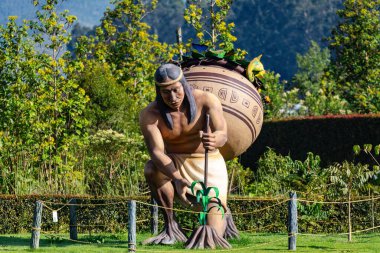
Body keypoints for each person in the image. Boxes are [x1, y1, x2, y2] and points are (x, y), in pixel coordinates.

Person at [139, 63, 229, 245]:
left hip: (208, 162)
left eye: (176, 90)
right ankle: (171, 227)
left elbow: (223, 133)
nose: (172, 97)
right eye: (166, 92)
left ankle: (223, 219)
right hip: (174, 164)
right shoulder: (150, 114)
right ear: (158, 91)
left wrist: (215, 139)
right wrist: (177, 178)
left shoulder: (206, 100)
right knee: (151, 168)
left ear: (184, 85)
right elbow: (156, 152)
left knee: (211, 235)